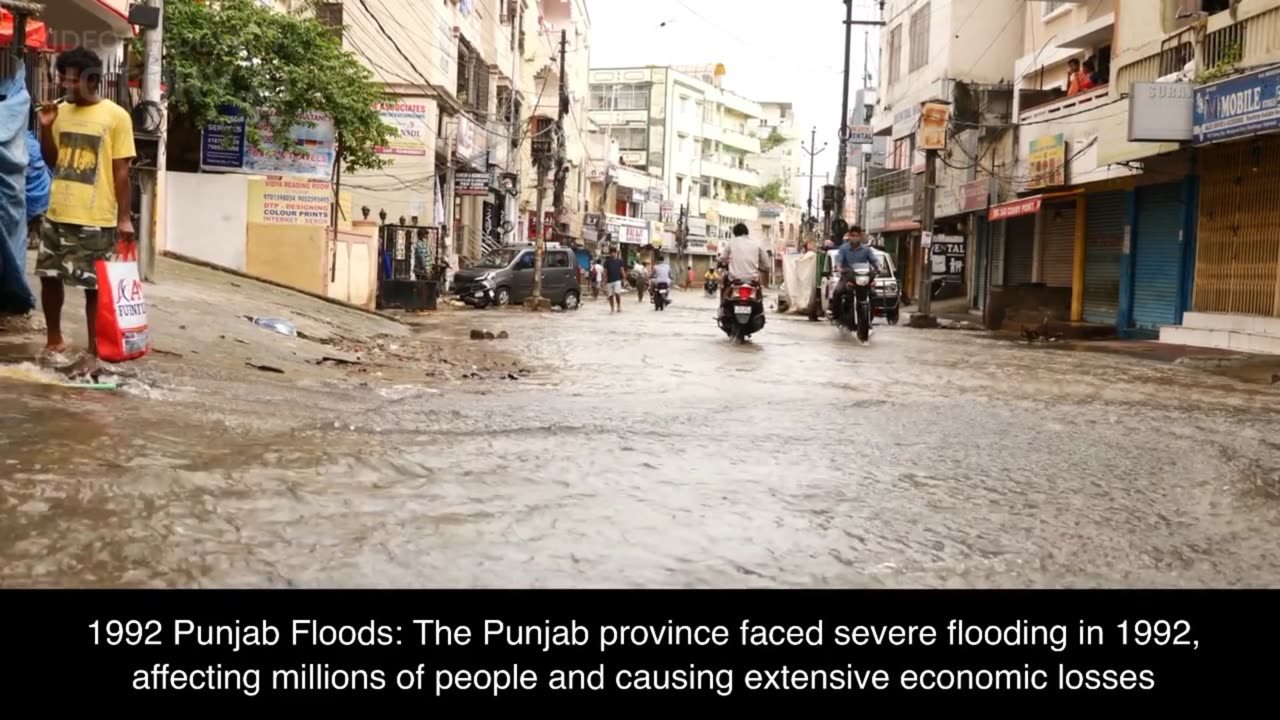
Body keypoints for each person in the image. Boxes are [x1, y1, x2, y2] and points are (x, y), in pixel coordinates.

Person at [35, 47, 136, 366]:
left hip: (97, 218)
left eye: (73, 80)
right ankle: (54, 339)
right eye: (63, 78)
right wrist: (47, 128)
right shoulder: (58, 111)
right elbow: (53, 160)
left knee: (93, 286)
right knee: (49, 277)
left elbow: (122, 171)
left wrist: (124, 219)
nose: (66, 85)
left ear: (92, 80)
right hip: (57, 213)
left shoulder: (116, 116)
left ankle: (95, 347)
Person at [829, 226, 879, 323]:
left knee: (873, 293)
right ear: (849, 236)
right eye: (853, 235)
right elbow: (839, 261)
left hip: (863, 278)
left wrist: (878, 266)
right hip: (847, 277)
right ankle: (836, 316)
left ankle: (870, 316)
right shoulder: (844, 249)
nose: (855, 238)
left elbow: (874, 260)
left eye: (857, 235)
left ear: (861, 237)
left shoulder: (866, 250)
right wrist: (839, 267)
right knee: (837, 292)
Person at [603, 248, 627, 313]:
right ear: (610, 253)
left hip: (617, 280)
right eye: (611, 252)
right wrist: (604, 281)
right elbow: (605, 272)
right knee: (610, 296)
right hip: (609, 281)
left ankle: (618, 306)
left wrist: (625, 279)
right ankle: (612, 308)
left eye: (614, 252)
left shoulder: (619, 261)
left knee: (617, 293)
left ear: (616, 253)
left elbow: (622, 270)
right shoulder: (607, 262)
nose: (613, 254)